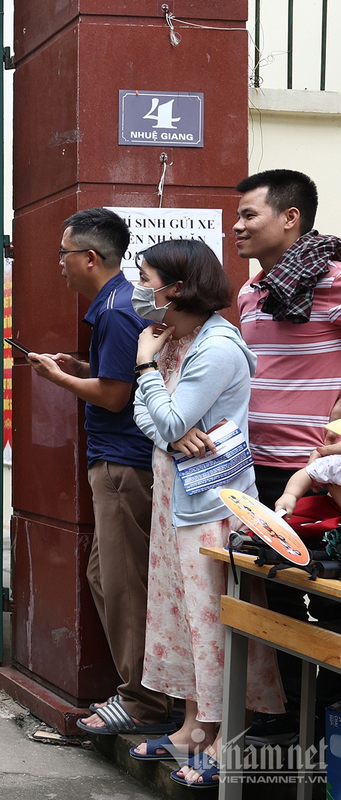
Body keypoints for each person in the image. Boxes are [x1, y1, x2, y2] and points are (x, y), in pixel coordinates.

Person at [128, 239, 285, 787]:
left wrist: (147, 370)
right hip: (177, 495)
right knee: (181, 617)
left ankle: (227, 738)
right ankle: (194, 727)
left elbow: (167, 419)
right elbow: (152, 420)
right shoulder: (176, 336)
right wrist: (169, 428)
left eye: (146, 277)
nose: (140, 288)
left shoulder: (216, 347)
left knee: (211, 620)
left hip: (211, 505)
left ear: (175, 287)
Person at [27, 208, 174, 735]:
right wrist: (82, 368)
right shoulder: (117, 305)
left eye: (64, 255)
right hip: (117, 463)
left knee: (124, 584)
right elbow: (120, 378)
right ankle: (136, 693)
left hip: (122, 465)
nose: (59, 265)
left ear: (90, 258)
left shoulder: (114, 310)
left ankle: (142, 703)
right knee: (102, 577)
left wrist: (55, 378)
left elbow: (115, 398)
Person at [231, 169, 341, 745]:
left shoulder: (338, 281)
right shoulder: (250, 292)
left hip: (319, 478)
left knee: (328, 592)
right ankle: (290, 715)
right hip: (258, 469)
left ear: (290, 217)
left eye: (250, 214)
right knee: (272, 593)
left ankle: (327, 715)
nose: (237, 225)